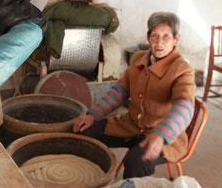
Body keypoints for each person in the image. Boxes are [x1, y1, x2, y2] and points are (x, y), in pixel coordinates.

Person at [73, 12, 195, 178]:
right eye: (155, 36)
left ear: (176, 40)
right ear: (148, 37)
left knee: (136, 161)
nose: (159, 42)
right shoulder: (138, 59)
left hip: (163, 137)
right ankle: (88, 179)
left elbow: (185, 106)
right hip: (130, 126)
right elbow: (119, 91)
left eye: (166, 36)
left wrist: (161, 135)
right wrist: (93, 115)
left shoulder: (182, 69)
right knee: (84, 131)